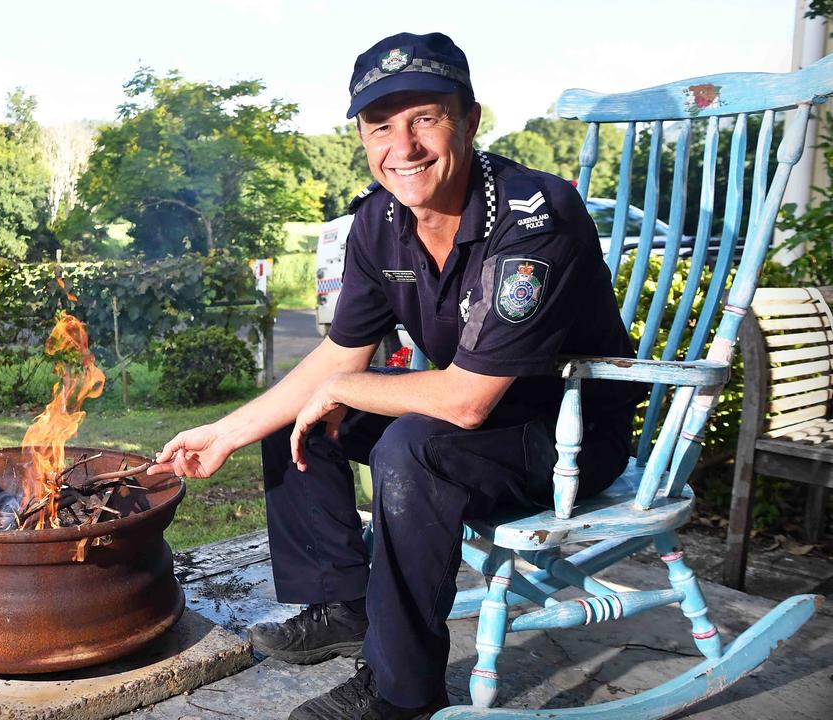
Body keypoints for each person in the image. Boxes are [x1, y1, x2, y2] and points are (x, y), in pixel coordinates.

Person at [148, 31, 640, 720]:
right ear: (360, 136)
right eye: (380, 127)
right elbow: (335, 357)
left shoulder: (534, 213)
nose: (401, 147)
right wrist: (225, 432)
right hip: (476, 413)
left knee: (408, 447)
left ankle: (397, 692)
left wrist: (344, 389)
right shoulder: (378, 221)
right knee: (299, 413)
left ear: (468, 119)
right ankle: (343, 602)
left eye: (424, 120)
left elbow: (465, 402)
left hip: (565, 434)